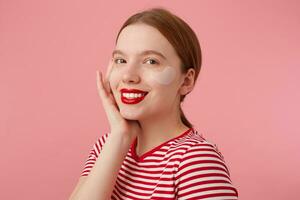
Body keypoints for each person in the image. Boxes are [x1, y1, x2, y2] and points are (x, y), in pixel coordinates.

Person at [69, 7, 239, 200]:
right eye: (120, 60)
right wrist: (120, 137)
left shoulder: (196, 160)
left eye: (151, 61)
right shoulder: (106, 147)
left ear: (186, 81)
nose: (128, 76)